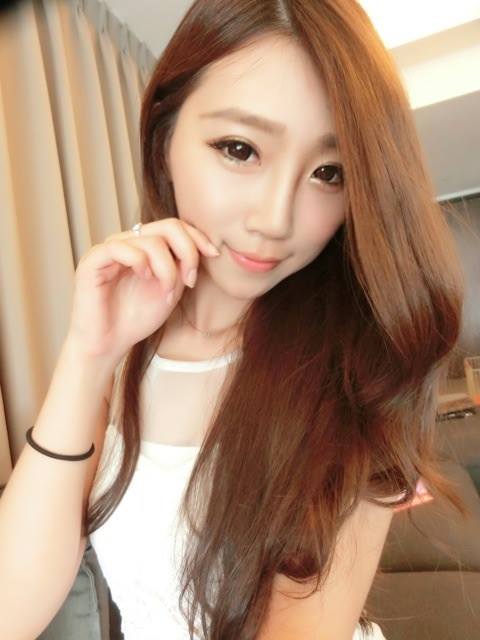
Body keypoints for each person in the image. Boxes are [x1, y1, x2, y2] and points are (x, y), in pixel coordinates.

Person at [0, 1, 468, 639]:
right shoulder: (125, 342)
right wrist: (88, 354)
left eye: (328, 173)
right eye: (240, 149)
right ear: (164, 139)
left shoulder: (360, 361)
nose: (275, 219)